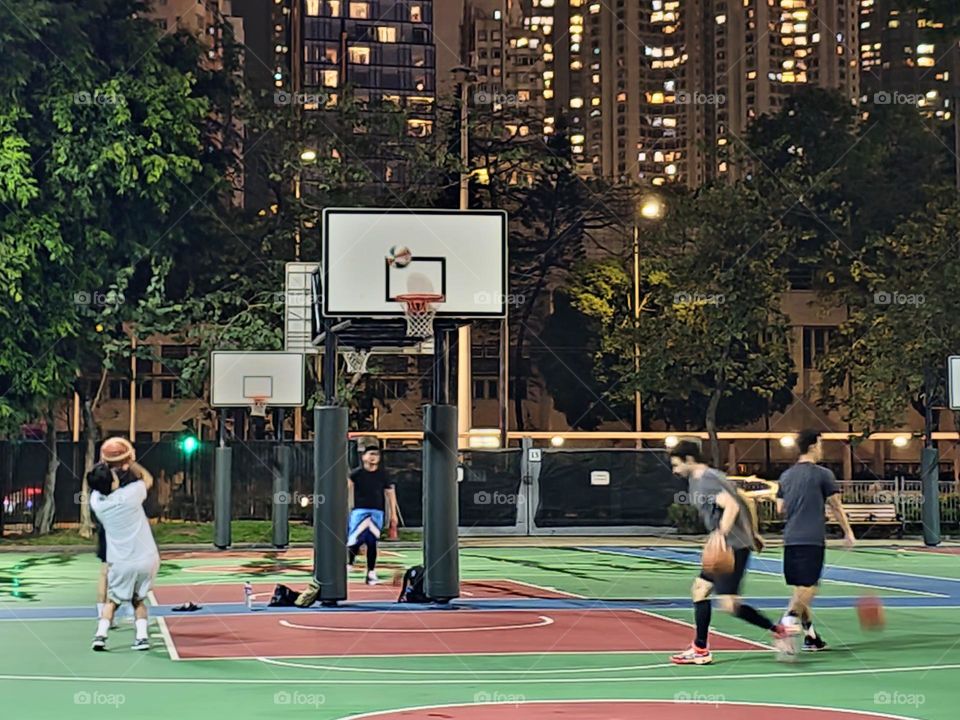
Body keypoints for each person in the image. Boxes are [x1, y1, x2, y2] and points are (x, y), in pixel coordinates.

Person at [669, 440, 792, 665]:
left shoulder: (707, 480)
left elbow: (732, 506)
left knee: (729, 604)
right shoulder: (701, 479)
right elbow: (743, 499)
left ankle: (778, 630)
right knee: (700, 589)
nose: (675, 470)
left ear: (689, 460)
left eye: (677, 465)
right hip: (729, 543)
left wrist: (721, 534)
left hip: (731, 547)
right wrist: (753, 532)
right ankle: (700, 648)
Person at [777, 429, 855, 651]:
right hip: (811, 538)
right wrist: (847, 532)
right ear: (812, 446)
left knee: (801, 588)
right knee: (809, 588)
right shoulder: (823, 474)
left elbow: (780, 508)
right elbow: (836, 505)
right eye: (820, 444)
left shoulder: (786, 476)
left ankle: (811, 636)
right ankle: (787, 621)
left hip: (790, 538)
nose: (821, 448)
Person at [88, 457, 159, 652]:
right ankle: (142, 637)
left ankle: (100, 635)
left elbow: (98, 484)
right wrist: (129, 461)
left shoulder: (97, 502)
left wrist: (105, 465)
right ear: (113, 481)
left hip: (120, 562)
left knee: (113, 601)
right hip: (147, 559)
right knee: (138, 600)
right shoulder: (132, 494)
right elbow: (147, 478)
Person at [92, 438, 138, 624]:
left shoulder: (97, 477)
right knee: (127, 570)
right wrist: (129, 459)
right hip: (120, 529)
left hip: (106, 526)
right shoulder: (120, 477)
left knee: (106, 571)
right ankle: (128, 609)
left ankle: (102, 613)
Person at [347, 443, 399, 585]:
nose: (373, 457)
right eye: (370, 454)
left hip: (377, 512)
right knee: (355, 540)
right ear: (363, 457)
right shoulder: (356, 474)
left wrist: (393, 515)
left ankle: (371, 571)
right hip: (359, 512)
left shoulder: (383, 475)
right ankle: (350, 563)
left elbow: (390, 494)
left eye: (376, 455)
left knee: (371, 541)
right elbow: (345, 488)